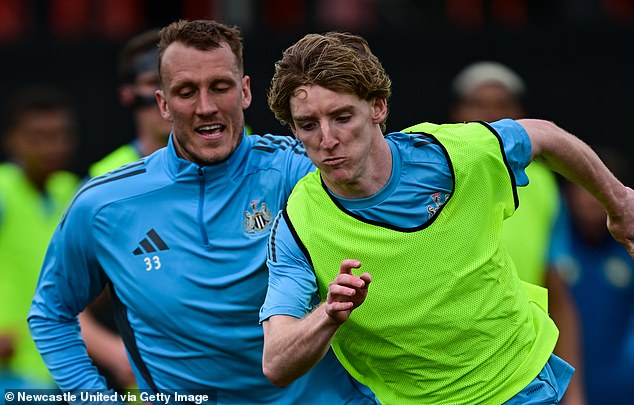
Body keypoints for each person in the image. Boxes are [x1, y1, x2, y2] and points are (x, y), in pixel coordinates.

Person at [260, 32, 634, 405]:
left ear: (378, 107)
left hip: (519, 384)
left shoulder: (454, 154)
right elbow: (276, 362)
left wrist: (618, 204)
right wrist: (328, 315)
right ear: (293, 130)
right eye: (308, 125)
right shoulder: (298, 225)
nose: (327, 139)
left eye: (342, 117)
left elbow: (545, 136)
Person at [28, 19, 375, 404]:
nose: (206, 107)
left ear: (245, 91)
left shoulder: (300, 171)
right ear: (163, 103)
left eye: (220, 87)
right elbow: (51, 315)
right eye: (186, 92)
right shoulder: (104, 204)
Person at [449, 61, 586, 405]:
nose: (491, 115)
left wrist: (573, 391)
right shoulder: (435, 177)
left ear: (521, 116)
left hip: (522, 368)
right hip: (451, 363)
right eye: (478, 104)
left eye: (502, 105)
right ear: (456, 114)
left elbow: (557, 289)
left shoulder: (543, 184)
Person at [79, 28, 173, 392]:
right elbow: (62, 301)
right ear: (127, 94)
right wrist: (118, 354)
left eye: (176, 84)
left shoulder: (249, 155)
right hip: (155, 383)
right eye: (153, 84)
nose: (166, 98)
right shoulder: (102, 182)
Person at [0, 85, 79, 388]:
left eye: (60, 135)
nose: (51, 147)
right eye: (37, 137)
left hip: (57, 365)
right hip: (10, 369)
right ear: (12, 140)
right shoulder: (3, 189)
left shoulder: (70, 190)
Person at [550, 147, 634, 405]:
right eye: (584, 188)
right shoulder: (551, 250)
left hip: (621, 390)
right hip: (558, 391)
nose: (590, 199)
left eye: (600, 191)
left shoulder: (628, 252)